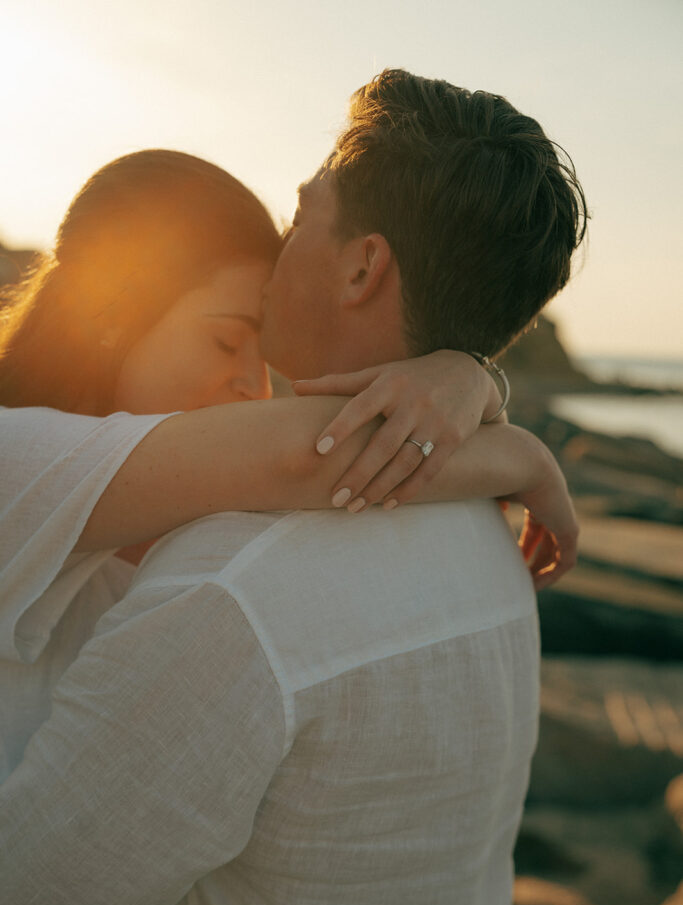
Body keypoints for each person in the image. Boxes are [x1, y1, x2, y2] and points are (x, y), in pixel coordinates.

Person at [0, 70, 586, 905]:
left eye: (301, 216)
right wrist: (486, 411)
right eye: (221, 336)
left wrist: (479, 408)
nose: (280, 253)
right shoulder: (484, 539)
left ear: (360, 268)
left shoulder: (226, 592)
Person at [0, 148, 573, 777]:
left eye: (262, 353)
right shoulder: (16, 455)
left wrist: (469, 379)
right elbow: (311, 453)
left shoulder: (199, 506)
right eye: (225, 340)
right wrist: (524, 454)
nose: (254, 388)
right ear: (109, 319)